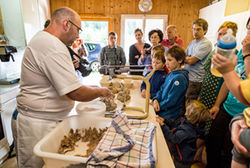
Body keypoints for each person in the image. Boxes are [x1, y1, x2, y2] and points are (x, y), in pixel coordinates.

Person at [14, 7, 111, 168]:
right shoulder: (52, 45)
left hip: (47, 120)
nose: (78, 36)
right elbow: (76, 93)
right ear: (66, 24)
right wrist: (101, 91)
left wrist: (90, 87)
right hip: (38, 125)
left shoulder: (47, 41)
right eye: (78, 30)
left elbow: (65, 83)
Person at [156, 100, 209, 168]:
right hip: (179, 153)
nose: (185, 111)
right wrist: (164, 120)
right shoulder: (187, 121)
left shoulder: (187, 131)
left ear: (190, 115)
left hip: (183, 159)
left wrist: (163, 125)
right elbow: (175, 123)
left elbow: (173, 138)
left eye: (188, 110)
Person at [153, 45, 188, 120]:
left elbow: (171, 100)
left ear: (180, 60)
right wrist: (156, 99)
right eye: (166, 60)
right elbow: (161, 89)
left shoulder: (179, 79)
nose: (166, 63)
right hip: (161, 109)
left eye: (170, 60)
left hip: (169, 116)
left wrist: (158, 105)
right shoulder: (171, 74)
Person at [185, 18, 212, 103]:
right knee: (184, 100)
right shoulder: (192, 42)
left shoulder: (206, 43)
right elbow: (184, 56)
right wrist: (187, 58)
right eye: (194, 29)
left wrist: (188, 58)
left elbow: (191, 61)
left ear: (205, 30)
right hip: (188, 76)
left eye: (198, 29)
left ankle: (188, 117)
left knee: (190, 102)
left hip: (195, 80)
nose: (195, 32)